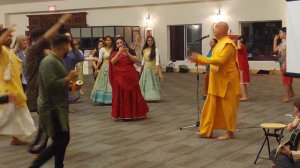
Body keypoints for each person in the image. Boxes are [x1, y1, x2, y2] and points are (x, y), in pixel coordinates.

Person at [26, 14, 72, 158]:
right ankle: (39, 150)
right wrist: (61, 21)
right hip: (39, 93)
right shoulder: (34, 50)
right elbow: (47, 36)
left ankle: (41, 149)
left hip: (45, 94)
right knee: (47, 125)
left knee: (46, 124)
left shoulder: (43, 53)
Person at [29, 34, 78, 168]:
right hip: (50, 108)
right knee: (60, 140)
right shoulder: (49, 62)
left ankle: (58, 165)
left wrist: (68, 82)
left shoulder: (56, 60)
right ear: (63, 47)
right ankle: (35, 165)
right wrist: (68, 78)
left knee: (63, 139)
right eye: (67, 46)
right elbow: (50, 85)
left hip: (57, 107)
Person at [188, 22, 240, 140]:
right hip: (216, 80)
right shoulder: (219, 43)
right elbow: (212, 60)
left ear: (222, 30)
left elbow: (220, 61)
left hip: (227, 82)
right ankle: (206, 130)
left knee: (228, 108)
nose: (213, 31)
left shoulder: (228, 44)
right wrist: (198, 61)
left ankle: (229, 132)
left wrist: (200, 57)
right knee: (210, 106)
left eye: (215, 29)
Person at [0, 26, 36, 145]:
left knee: (19, 117)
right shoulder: (2, 51)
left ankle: (16, 138)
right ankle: (16, 138)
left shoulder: (10, 52)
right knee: (9, 117)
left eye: (11, 36)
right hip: (6, 91)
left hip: (16, 89)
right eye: (7, 36)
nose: (10, 37)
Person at [109, 36, 149, 120]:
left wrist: (127, 53)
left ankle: (135, 113)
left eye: (121, 42)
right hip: (120, 77)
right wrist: (119, 53)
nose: (119, 44)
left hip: (130, 75)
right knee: (122, 94)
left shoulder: (130, 51)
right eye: (117, 43)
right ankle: (123, 114)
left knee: (133, 94)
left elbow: (136, 60)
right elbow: (113, 61)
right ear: (116, 45)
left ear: (124, 43)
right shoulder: (114, 53)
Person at [270, 97, 300, 168]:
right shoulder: (298, 117)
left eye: (297, 112)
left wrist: (290, 153)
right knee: (274, 153)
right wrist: (293, 125)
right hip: (296, 155)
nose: (295, 114)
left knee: (280, 158)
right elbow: (297, 118)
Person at [273, 27, 295, 102]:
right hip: (283, 63)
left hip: (286, 64)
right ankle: (291, 93)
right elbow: (275, 50)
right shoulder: (283, 42)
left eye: (280, 32)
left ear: (285, 33)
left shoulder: (288, 42)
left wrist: (285, 61)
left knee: (286, 80)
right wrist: (275, 40)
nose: (279, 34)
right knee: (287, 79)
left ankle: (287, 97)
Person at [90, 36, 113, 104]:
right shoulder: (102, 49)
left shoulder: (113, 49)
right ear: (105, 41)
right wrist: (96, 69)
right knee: (103, 83)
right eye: (107, 40)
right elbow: (100, 60)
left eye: (110, 40)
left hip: (112, 67)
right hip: (104, 67)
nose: (109, 41)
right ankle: (102, 99)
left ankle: (113, 98)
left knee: (111, 82)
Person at [139, 36, 162, 101]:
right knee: (145, 83)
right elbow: (143, 61)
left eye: (151, 40)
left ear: (153, 41)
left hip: (153, 68)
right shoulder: (144, 50)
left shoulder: (156, 49)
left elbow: (157, 61)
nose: (150, 42)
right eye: (148, 40)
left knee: (153, 83)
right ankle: (144, 96)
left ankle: (153, 96)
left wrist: (157, 69)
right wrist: (141, 70)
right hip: (146, 69)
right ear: (146, 41)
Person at [237, 35, 250, 101]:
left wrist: (238, 41)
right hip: (244, 65)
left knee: (241, 82)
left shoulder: (241, 45)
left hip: (242, 65)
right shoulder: (243, 46)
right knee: (243, 82)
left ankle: (244, 96)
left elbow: (238, 48)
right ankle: (246, 95)